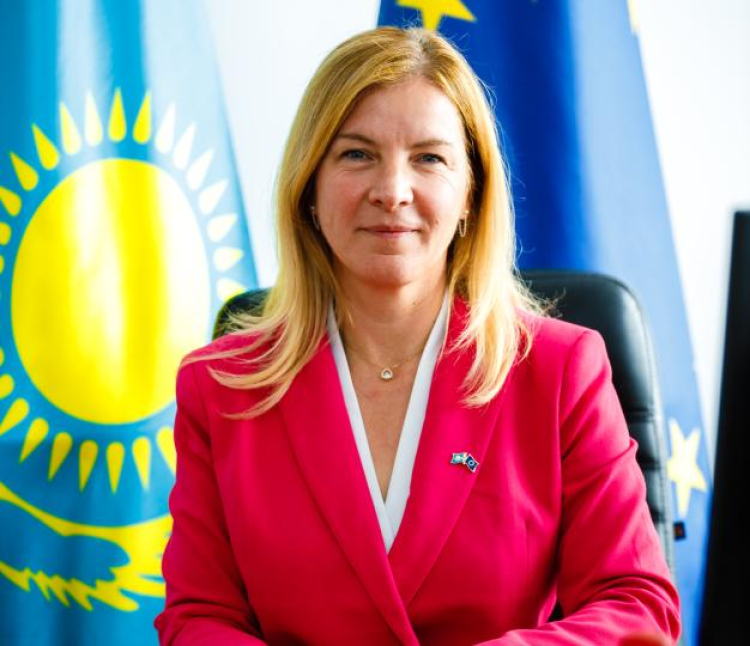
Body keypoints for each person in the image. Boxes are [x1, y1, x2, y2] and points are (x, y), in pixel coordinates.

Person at [155, 26, 680, 645]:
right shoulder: (222, 385)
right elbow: (199, 618)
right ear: (309, 187)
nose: (392, 191)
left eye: (429, 158)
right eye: (357, 154)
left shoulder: (561, 369)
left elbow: (635, 606)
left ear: (470, 193)